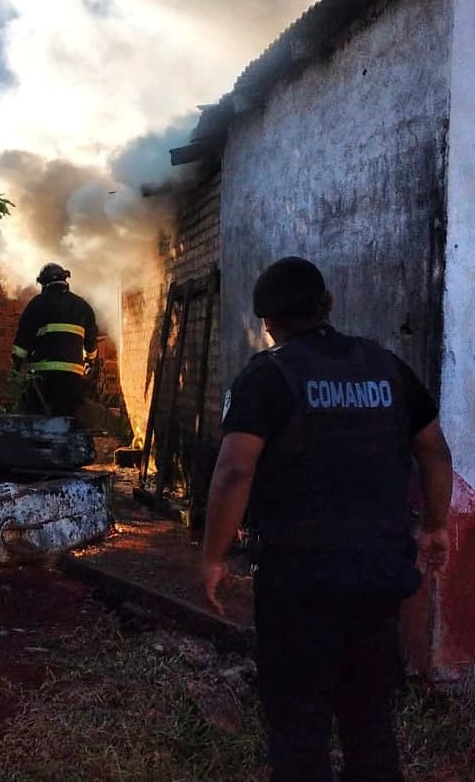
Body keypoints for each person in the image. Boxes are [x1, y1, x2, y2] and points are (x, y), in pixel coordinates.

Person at [202, 256, 452, 782]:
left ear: (266, 322)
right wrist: (434, 526)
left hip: (300, 583)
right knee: (370, 720)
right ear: (328, 304)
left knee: (298, 726)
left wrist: (215, 555)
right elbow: (433, 452)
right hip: (379, 578)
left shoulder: (268, 377)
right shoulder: (386, 367)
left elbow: (233, 473)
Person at [11, 263, 98, 417]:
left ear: (44, 283)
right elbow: (91, 343)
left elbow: (23, 341)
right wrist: (90, 360)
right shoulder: (83, 306)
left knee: (37, 419)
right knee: (68, 420)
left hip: (42, 379)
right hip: (72, 379)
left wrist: (16, 367)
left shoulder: (37, 304)